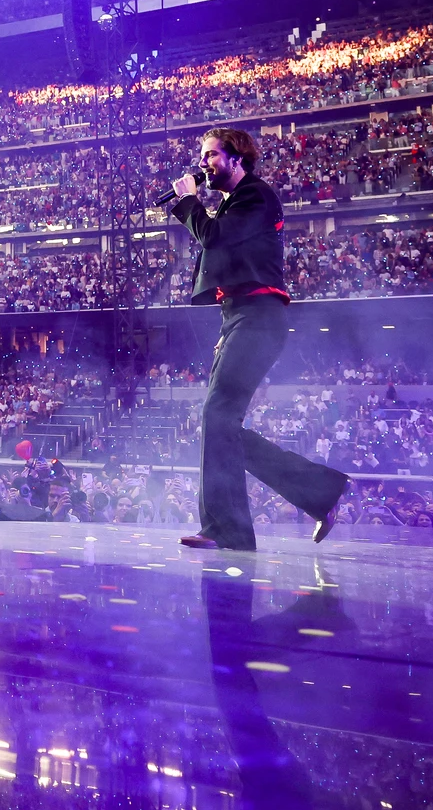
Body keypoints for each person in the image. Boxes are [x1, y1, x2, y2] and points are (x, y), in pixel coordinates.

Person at [168, 127, 349, 551]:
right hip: (241, 319)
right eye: (204, 155)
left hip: (259, 319)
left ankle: (229, 529)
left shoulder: (256, 196)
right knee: (219, 425)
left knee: (217, 419)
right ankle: (319, 491)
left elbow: (213, 238)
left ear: (237, 159)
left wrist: (188, 201)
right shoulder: (235, 203)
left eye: (212, 155)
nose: (205, 163)